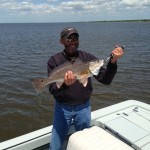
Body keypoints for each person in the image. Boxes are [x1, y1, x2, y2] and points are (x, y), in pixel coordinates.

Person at [47, 27, 124, 150]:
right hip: (62, 109)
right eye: (69, 38)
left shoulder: (88, 58)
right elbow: (52, 90)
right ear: (61, 41)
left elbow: (106, 80)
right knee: (55, 145)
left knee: (84, 143)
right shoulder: (54, 60)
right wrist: (66, 84)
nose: (72, 41)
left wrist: (113, 62)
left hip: (84, 108)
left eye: (75, 38)